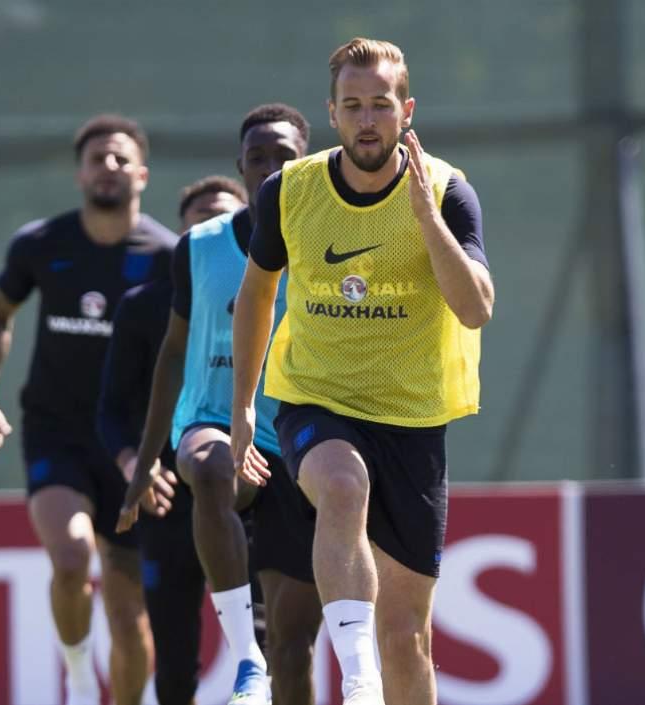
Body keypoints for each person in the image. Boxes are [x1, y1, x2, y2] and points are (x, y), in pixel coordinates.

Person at [230, 38, 492, 705]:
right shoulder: (291, 191)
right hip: (317, 399)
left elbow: (475, 308)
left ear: (407, 110)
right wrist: (243, 407)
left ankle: (381, 671)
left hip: (413, 417)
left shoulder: (449, 191)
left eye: (380, 104)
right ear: (333, 112)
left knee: (408, 636)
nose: (367, 119)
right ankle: (357, 677)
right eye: (353, 106)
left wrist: (426, 218)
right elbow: (258, 292)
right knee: (343, 486)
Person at [119, 103, 323, 705]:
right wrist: (146, 462)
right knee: (209, 467)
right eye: (257, 157)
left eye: (284, 156)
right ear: (240, 166)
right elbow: (174, 353)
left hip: (300, 434)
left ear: (307, 163)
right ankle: (243, 658)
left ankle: (271, 664)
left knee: (295, 645)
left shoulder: (332, 243)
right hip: (210, 421)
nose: (269, 168)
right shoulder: (200, 246)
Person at [0, 114, 174, 705]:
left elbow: (188, 351)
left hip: (133, 449)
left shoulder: (167, 256)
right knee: (72, 555)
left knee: (130, 608)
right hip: (56, 433)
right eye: (96, 159)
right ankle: (80, 678)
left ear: (141, 172)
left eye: (119, 158)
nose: (107, 167)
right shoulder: (41, 245)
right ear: (79, 172)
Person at [97, 174, 247, 705]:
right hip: (169, 498)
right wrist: (138, 462)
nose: (209, 225)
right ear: (182, 235)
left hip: (252, 486)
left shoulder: (276, 291)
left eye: (222, 216)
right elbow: (112, 409)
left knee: (274, 649)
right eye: (198, 219)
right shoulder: (143, 307)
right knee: (177, 659)